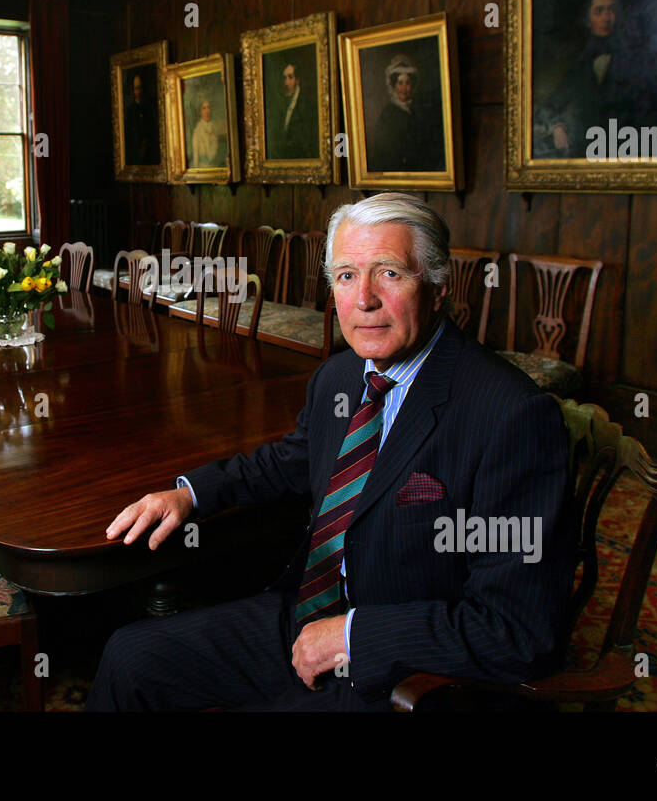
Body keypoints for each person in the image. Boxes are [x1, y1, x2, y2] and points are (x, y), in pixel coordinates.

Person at [86, 193, 574, 711]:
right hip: (307, 611)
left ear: (437, 288)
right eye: (345, 276)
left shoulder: (514, 416)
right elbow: (292, 460)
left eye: (389, 273)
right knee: (128, 655)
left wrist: (352, 636)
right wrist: (189, 495)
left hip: (404, 668)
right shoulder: (340, 376)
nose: (363, 299)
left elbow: (517, 631)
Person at [533, 0, 657, 158]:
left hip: (630, 151)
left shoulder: (639, 59)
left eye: (612, 10)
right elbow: (550, 105)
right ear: (588, 20)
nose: (606, 18)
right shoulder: (582, 63)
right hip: (588, 153)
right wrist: (557, 127)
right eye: (599, 11)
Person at [368, 54, 446, 172]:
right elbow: (387, 152)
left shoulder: (416, 110)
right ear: (394, 86)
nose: (404, 88)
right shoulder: (388, 114)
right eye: (400, 83)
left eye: (407, 83)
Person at [267, 61, 319, 160]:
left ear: (297, 80)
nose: (286, 83)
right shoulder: (282, 103)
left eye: (290, 77)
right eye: (284, 78)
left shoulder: (306, 105)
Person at [124, 72, 160, 168]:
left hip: (150, 155)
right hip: (135, 157)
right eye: (136, 88)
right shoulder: (130, 110)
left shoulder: (150, 106)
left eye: (140, 88)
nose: (139, 92)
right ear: (133, 90)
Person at [190, 99, 220, 167]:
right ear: (200, 112)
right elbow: (196, 155)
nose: (207, 111)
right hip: (202, 167)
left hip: (214, 166)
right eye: (204, 108)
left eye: (208, 108)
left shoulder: (214, 128)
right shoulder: (197, 131)